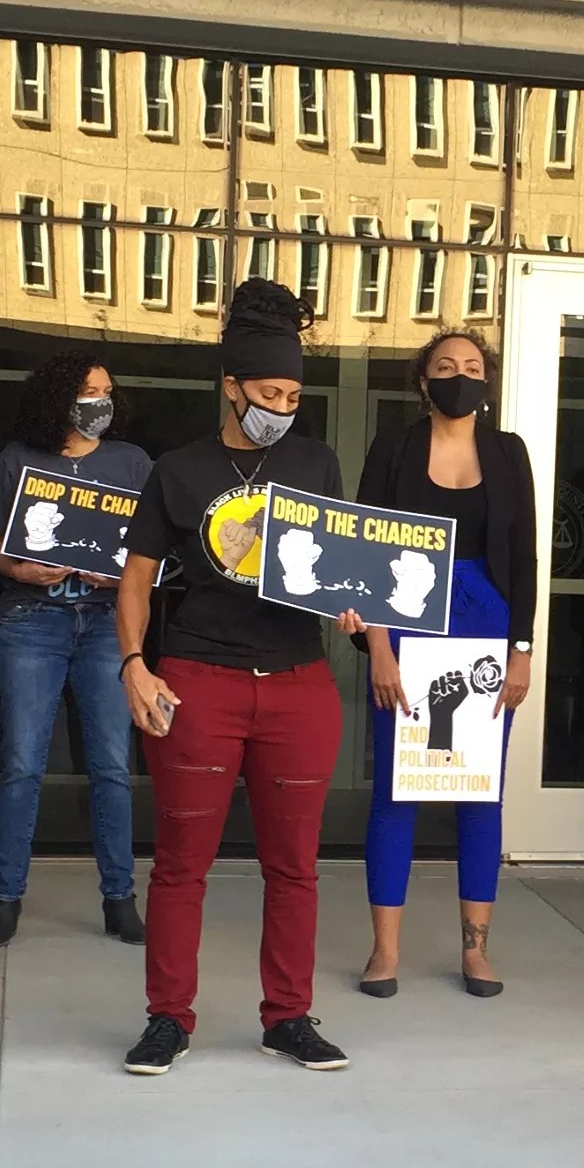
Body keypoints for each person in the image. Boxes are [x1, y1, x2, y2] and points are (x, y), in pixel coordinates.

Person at [113, 280, 359, 1077]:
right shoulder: (178, 470)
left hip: (297, 680)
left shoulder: (316, 462)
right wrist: (133, 665)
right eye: (268, 394)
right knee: (182, 863)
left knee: (294, 866)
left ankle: (288, 1017)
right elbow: (136, 577)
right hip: (199, 680)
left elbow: (343, 567)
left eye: (293, 396)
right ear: (231, 386)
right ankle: (166, 1018)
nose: (281, 408)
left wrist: (358, 606)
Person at [354, 329, 537, 996]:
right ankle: (384, 951)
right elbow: (366, 546)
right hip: (407, 622)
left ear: (487, 381)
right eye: (445, 365)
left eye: (472, 366)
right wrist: (377, 645)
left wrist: (521, 649)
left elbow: (525, 554)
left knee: (480, 793)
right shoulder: (393, 446)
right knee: (396, 791)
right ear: (422, 380)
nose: (460, 375)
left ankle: (476, 951)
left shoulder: (509, 452)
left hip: (487, 626)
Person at [0, 346, 152, 949]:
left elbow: (154, 552)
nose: (100, 403)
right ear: (59, 398)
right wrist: (18, 570)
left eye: (106, 393)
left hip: (105, 622)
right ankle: (5, 899)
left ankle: (119, 898)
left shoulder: (131, 462)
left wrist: (122, 576)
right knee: (22, 764)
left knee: (111, 766)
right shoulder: (20, 457)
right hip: (32, 619)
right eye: (88, 393)